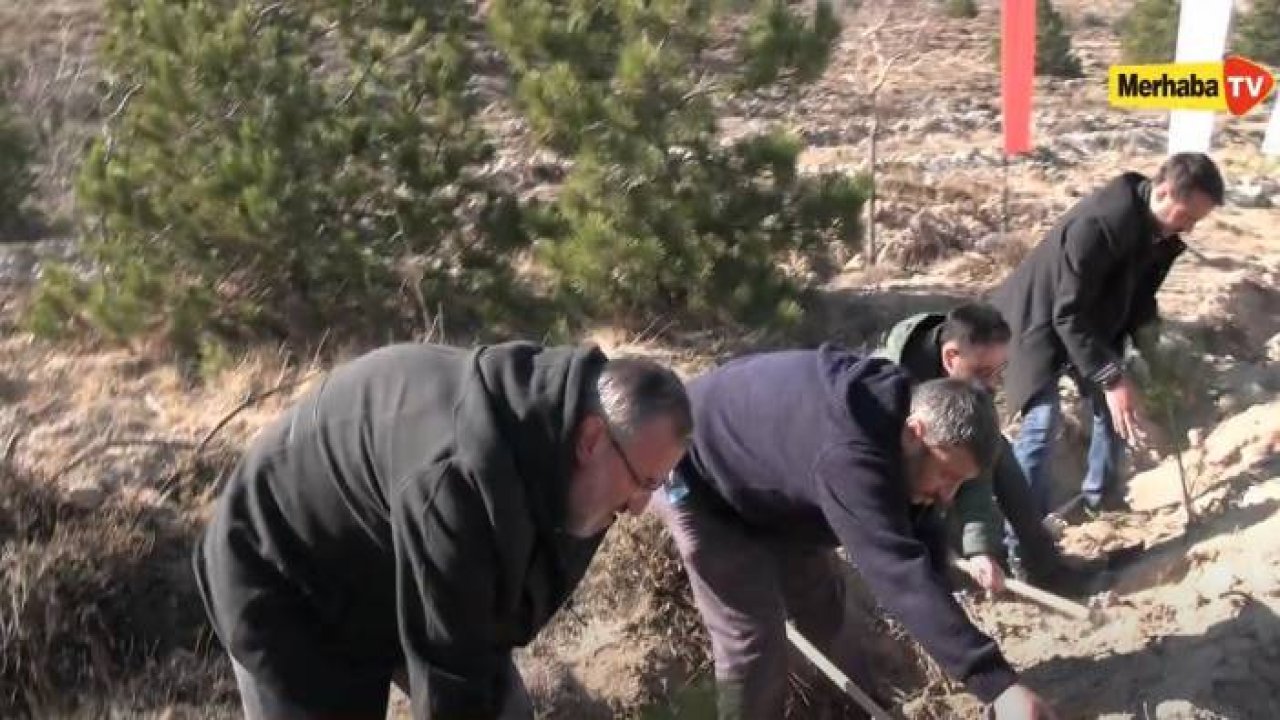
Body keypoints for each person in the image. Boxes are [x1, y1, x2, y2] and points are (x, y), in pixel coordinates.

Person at [193, 340, 693, 720]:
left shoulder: (572, 441)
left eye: (658, 484)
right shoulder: (460, 480)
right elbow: (450, 676)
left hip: (394, 560)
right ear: (592, 439)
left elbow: (485, 636)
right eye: (643, 481)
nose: (640, 506)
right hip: (284, 572)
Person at [650, 344, 1059, 720]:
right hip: (691, 468)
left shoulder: (901, 424)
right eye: (947, 476)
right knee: (752, 635)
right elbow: (897, 571)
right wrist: (997, 685)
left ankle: (861, 710)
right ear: (914, 432)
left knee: (823, 604)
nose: (947, 496)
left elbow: (920, 537)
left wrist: (947, 590)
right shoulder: (850, 455)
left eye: (959, 484)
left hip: (771, 482)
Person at [989, 152, 1223, 525]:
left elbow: (1140, 301)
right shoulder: (1098, 226)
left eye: (1197, 221)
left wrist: (1155, 357)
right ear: (1164, 191)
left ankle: (1102, 499)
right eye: (1187, 216)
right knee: (1042, 422)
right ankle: (1023, 534)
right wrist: (1111, 377)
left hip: (1089, 324)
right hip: (1034, 323)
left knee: (1118, 407)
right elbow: (1067, 313)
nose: (1190, 228)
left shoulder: (1160, 234)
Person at [874, 303, 1103, 595]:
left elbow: (976, 471)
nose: (993, 384)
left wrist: (980, 549)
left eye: (999, 371)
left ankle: (1045, 568)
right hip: (896, 484)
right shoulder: (894, 387)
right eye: (983, 372)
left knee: (1000, 455)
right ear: (951, 357)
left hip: (941, 471)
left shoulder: (975, 387)